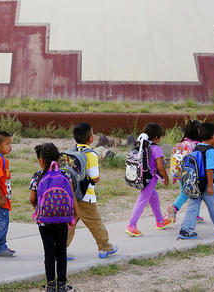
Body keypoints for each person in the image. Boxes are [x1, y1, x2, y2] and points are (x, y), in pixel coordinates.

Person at [29, 143, 79, 292]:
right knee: (61, 252)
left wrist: (39, 206)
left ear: (41, 161)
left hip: (44, 221)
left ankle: (50, 285)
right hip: (63, 219)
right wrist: (76, 212)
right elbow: (71, 195)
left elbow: (32, 198)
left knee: (49, 252)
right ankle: (62, 285)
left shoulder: (37, 176)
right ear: (58, 159)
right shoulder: (66, 175)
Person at [65, 122, 118, 259]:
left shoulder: (71, 151)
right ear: (90, 138)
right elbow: (94, 178)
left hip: (71, 195)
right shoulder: (91, 155)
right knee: (95, 222)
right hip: (85, 196)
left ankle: (60, 249)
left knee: (70, 223)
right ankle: (105, 247)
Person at [178, 122, 214, 240]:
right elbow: (209, 169)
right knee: (213, 206)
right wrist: (210, 185)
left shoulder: (196, 147)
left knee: (192, 207)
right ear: (213, 136)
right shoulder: (211, 151)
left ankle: (186, 230)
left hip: (195, 183)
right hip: (206, 184)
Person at [125, 123, 171, 236]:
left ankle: (160, 221)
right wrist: (166, 177)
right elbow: (160, 166)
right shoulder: (156, 149)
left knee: (154, 197)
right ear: (156, 138)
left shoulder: (142, 146)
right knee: (142, 200)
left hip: (141, 176)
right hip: (149, 179)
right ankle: (131, 225)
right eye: (160, 136)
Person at [166, 120, 204, 224]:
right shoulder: (197, 145)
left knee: (184, 193)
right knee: (196, 194)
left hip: (180, 174)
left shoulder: (182, 143)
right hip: (192, 175)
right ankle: (176, 210)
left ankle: (191, 214)